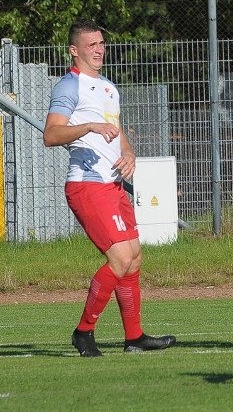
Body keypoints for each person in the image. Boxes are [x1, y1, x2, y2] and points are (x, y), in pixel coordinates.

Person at [43, 19, 176, 357]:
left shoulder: (108, 87)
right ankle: (83, 332)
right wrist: (88, 125)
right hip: (87, 186)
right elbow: (51, 135)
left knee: (133, 259)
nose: (99, 49)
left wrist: (128, 151)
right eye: (92, 45)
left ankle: (134, 337)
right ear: (75, 51)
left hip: (113, 185)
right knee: (119, 258)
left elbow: (116, 131)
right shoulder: (68, 87)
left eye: (101, 43)